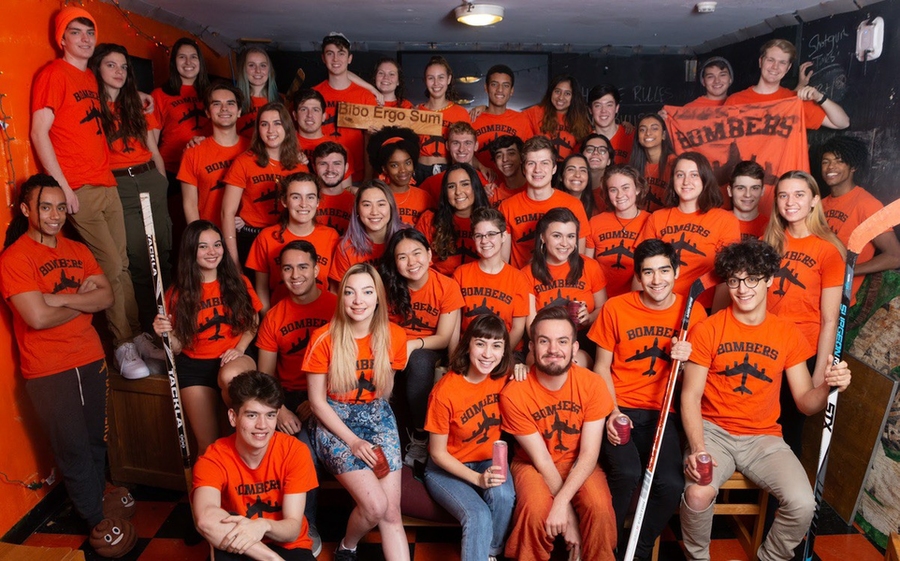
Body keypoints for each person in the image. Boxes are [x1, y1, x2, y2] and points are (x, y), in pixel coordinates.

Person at [679, 239, 851, 561]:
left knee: (802, 503)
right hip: (713, 431)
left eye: (752, 279)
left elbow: (804, 402)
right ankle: (697, 557)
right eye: (734, 280)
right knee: (698, 493)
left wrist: (829, 386)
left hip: (763, 438)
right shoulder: (708, 329)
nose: (743, 289)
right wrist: (698, 448)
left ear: (769, 279)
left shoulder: (786, 332)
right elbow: (690, 396)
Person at [1, 174, 136, 558]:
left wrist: (57, 300)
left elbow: (106, 296)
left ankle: (98, 499)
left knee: (96, 439)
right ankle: (95, 519)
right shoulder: (15, 259)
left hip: (89, 356)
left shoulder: (77, 249)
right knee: (72, 447)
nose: (55, 215)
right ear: (27, 210)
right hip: (48, 368)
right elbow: (36, 319)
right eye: (46, 207)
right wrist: (80, 299)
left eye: (61, 207)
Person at [31, 7, 150, 379]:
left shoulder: (87, 79)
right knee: (110, 267)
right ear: (61, 39)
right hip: (78, 187)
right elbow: (39, 132)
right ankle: (122, 345)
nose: (84, 38)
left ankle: (135, 334)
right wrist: (63, 188)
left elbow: (108, 102)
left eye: (89, 32)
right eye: (76, 32)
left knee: (125, 264)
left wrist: (141, 94)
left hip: (106, 182)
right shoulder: (54, 74)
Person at [589, 239, 707, 559]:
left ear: (677, 271)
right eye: (649, 273)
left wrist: (687, 360)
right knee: (626, 473)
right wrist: (611, 414)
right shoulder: (616, 308)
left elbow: (695, 384)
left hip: (661, 412)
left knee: (670, 483)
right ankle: (606, 546)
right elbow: (600, 366)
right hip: (620, 409)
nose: (657, 280)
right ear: (639, 277)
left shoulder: (693, 311)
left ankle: (637, 550)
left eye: (664, 271)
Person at [303, 264, 410, 561]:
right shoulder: (324, 338)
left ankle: (346, 547)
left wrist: (372, 434)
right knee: (374, 506)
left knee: (390, 512)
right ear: (341, 298)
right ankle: (347, 546)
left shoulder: (395, 336)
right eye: (349, 292)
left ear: (378, 298)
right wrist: (353, 441)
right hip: (335, 422)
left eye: (366, 292)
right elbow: (317, 403)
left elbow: (386, 390)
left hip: (378, 418)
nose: (357, 300)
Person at [499, 305, 617, 561]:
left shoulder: (593, 384)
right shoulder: (514, 393)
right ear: (531, 347)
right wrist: (570, 519)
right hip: (532, 465)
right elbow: (541, 459)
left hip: (578, 462)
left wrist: (563, 503)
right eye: (544, 341)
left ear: (574, 348)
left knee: (599, 508)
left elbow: (588, 454)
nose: (553, 350)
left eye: (562, 341)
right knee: (536, 510)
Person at [152, 220, 261, 456]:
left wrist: (240, 348)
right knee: (208, 447)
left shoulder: (239, 282)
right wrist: (165, 332)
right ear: (191, 250)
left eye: (217, 244)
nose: (212, 252)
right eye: (203, 246)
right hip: (194, 367)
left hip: (234, 357)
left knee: (230, 376)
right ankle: (210, 491)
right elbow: (178, 346)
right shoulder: (176, 293)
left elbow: (252, 323)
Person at [256, 241, 337, 553]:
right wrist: (279, 412)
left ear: (316, 269)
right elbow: (265, 377)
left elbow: (352, 361)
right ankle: (306, 523)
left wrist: (322, 398)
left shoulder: (336, 306)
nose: (295, 274)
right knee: (300, 449)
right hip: (289, 398)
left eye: (303, 266)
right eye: (287, 268)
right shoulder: (275, 317)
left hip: (333, 392)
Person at [192, 371, 318, 561]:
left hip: (287, 544)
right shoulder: (213, 458)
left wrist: (263, 525)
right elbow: (206, 519)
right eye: (252, 415)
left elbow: (292, 529)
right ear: (233, 417)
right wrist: (271, 559)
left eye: (270, 415)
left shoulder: (295, 451)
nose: (262, 425)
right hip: (237, 542)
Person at [89, 42, 171, 333]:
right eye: (111, 65)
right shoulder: (92, 105)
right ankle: (149, 326)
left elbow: (153, 148)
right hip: (119, 182)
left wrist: (162, 181)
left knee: (162, 251)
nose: (119, 71)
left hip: (149, 176)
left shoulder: (138, 103)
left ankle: (171, 323)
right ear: (97, 68)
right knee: (137, 255)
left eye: (123, 66)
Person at [763, 170, 845, 455]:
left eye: (799, 194)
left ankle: (783, 500)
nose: (790, 201)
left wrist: (822, 369)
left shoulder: (828, 250)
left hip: (803, 351)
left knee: (789, 431)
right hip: (766, 346)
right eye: (783, 195)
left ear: (814, 200)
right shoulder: (770, 246)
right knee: (760, 424)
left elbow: (830, 318)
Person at [424, 314, 516, 561]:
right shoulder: (445, 391)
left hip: (487, 460)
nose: (488, 353)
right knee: (478, 515)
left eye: (496, 345)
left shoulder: (504, 377)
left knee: (504, 495)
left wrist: (524, 366)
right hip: (447, 468)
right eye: (481, 343)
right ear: (468, 345)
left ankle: (490, 553)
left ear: (504, 350)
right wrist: (477, 479)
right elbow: (437, 453)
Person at [380, 229, 464, 466]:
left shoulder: (446, 286)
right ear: (395, 263)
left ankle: (420, 435)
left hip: (429, 349)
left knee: (418, 362)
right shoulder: (387, 287)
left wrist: (413, 344)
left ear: (429, 255)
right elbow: (381, 331)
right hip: (393, 347)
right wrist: (400, 348)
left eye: (416, 253)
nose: (411, 262)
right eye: (402, 257)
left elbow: (445, 337)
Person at [639, 152, 740, 309]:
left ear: (705, 179)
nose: (686, 181)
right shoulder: (657, 218)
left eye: (694, 175)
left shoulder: (725, 220)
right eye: (680, 175)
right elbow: (642, 269)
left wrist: (713, 321)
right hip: (660, 307)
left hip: (703, 308)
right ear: (673, 180)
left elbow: (726, 277)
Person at [222, 102, 307, 267]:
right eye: (264, 124)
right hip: (251, 238)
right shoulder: (244, 162)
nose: (270, 130)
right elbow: (227, 213)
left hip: (287, 238)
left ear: (287, 127)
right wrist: (234, 260)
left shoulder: (300, 166)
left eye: (277, 123)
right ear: (258, 129)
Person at [523, 208, 608, 368]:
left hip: (581, 341)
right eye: (557, 236)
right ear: (542, 237)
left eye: (570, 236)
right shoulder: (527, 273)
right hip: (543, 342)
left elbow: (603, 308)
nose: (565, 243)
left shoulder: (590, 266)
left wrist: (588, 317)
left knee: (572, 365)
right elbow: (531, 325)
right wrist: (549, 345)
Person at [819, 135, 900, 300]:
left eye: (839, 161)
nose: (830, 167)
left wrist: (848, 272)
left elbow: (894, 256)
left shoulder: (867, 204)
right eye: (825, 162)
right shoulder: (818, 205)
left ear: (853, 167)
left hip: (840, 302)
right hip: (813, 293)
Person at [246, 172, 339, 313]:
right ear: (284, 201)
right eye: (296, 197)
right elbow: (261, 288)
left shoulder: (331, 236)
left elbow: (334, 288)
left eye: (310, 197)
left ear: (318, 202)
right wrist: (267, 321)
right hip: (281, 320)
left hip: (323, 317)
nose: (303, 204)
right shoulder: (266, 237)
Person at [499, 136, 590, 269]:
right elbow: (503, 261)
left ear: (554, 169)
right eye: (531, 163)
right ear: (523, 169)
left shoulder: (573, 205)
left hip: (562, 284)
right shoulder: (507, 207)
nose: (537, 170)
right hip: (522, 282)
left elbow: (579, 256)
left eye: (544, 163)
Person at [725, 39, 849, 130]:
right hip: (747, 165)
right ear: (760, 62)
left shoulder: (795, 102)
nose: (775, 67)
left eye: (782, 62)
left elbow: (843, 123)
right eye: (770, 60)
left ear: (788, 67)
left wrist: (819, 97)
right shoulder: (735, 101)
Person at [179, 83, 251, 226]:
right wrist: (200, 238)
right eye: (216, 104)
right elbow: (190, 204)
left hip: (246, 233)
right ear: (207, 112)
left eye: (230, 103)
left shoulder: (254, 149)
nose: (224, 108)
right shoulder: (193, 151)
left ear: (239, 111)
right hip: (211, 233)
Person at [312, 32, 377, 183]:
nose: (335, 59)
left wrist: (368, 177)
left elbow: (369, 141)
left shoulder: (365, 97)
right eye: (330, 53)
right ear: (323, 58)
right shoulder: (313, 94)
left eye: (341, 53)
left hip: (357, 175)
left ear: (349, 59)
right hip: (322, 174)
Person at [152, 37, 212, 190]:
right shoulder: (159, 95)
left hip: (206, 168)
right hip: (171, 170)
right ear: (174, 62)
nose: (188, 62)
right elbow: (151, 142)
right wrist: (160, 178)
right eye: (182, 57)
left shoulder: (212, 94)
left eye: (193, 57)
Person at [586, 164, 651, 298]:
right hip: (599, 300)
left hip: (636, 300)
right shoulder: (595, 222)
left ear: (638, 189)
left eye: (625, 188)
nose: (620, 195)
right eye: (613, 190)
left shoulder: (651, 221)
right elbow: (586, 265)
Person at [329, 180, 407, 290]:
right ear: (357, 209)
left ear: (391, 207)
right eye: (366, 205)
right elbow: (336, 293)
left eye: (381, 204)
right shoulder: (346, 248)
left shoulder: (407, 239)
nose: (374, 212)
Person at [416, 163, 490, 275]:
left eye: (465, 184)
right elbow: (418, 261)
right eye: (451, 186)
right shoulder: (429, 220)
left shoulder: (492, 222)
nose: (458, 192)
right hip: (441, 288)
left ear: (475, 187)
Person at [415, 56, 472, 185]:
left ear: (449, 79)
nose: (436, 83)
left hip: (448, 169)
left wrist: (481, 166)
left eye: (441, 77)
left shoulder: (460, 113)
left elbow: (469, 147)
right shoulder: (416, 112)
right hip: (419, 170)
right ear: (425, 80)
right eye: (431, 78)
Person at [472, 65, 535, 171]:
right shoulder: (473, 118)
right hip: (480, 184)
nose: (499, 90)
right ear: (486, 88)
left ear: (511, 91)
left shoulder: (522, 120)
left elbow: (530, 155)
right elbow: (463, 154)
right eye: (494, 84)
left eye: (505, 85)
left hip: (512, 185)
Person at [368, 126, 433, 225]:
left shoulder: (425, 197)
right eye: (394, 165)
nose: (403, 170)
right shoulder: (376, 196)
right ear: (384, 169)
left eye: (407, 163)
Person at [419, 121, 493, 203]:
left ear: (476, 146)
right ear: (447, 146)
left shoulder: (488, 181)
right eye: (456, 143)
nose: (461, 149)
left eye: (467, 143)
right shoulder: (432, 183)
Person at [524, 74, 591, 162]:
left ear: (573, 97)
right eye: (557, 91)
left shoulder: (582, 122)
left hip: (568, 171)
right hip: (540, 169)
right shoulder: (534, 113)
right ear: (551, 92)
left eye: (567, 93)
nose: (561, 97)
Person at [629, 113, 675, 212]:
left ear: (663, 135)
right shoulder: (634, 166)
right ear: (638, 137)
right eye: (642, 129)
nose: (648, 133)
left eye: (654, 128)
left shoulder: (675, 164)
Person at [235, 46, 281, 138]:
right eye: (251, 65)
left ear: (269, 70)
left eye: (263, 65)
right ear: (243, 69)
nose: (258, 70)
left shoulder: (281, 101)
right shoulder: (234, 101)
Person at [312, 141, 355, 235]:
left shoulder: (357, 200)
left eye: (337, 163)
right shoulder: (306, 200)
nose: (330, 169)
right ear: (314, 167)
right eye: (323, 163)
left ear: (346, 167)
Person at [589, 84, 633, 164]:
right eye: (598, 105)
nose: (603, 111)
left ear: (617, 108)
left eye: (609, 105)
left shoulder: (632, 135)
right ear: (590, 110)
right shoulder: (585, 141)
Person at [728, 161, 769, 241]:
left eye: (754, 188)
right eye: (741, 188)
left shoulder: (771, 227)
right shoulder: (717, 222)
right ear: (730, 191)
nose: (747, 195)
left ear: (762, 191)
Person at [557, 152, 597, 218]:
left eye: (583, 170)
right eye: (571, 169)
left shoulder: (597, 206)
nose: (577, 175)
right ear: (561, 176)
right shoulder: (551, 203)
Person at [489, 134, 527, 201]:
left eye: (511, 153)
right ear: (495, 164)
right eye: (499, 156)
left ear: (522, 158)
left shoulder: (535, 189)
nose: (505, 159)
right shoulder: (491, 195)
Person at [581, 133, 614, 212]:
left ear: (609, 160)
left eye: (602, 151)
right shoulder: (572, 185)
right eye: (590, 149)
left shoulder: (614, 189)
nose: (595, 153)